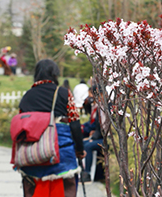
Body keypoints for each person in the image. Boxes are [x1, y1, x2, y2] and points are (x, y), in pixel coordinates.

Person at [17, 59, 86, 197]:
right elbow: (74, 123)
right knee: (66, 188)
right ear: (55, 74)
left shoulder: (27, 96)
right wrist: (79, 149)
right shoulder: (63, 93)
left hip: (33, 154)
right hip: (61, 152)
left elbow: (21, 126)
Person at [81, 84, 107, 182]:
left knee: (88, 145)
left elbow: (101, 127)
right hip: (100, 135)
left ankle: (86, 173)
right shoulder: (98, 106)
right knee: (85, 143)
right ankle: (83, 171)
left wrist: (93, 137)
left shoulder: (105, 107)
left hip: (106, 138)